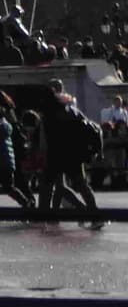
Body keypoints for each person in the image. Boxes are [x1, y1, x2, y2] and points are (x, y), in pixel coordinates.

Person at [39, 80, 104, 226]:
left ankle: (43, 217)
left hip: (57, 154)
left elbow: (50, 137)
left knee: (47, 186)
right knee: (81, 185)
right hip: (74, 155)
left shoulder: (50, 112)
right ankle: (95, 216)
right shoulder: (71, 108)